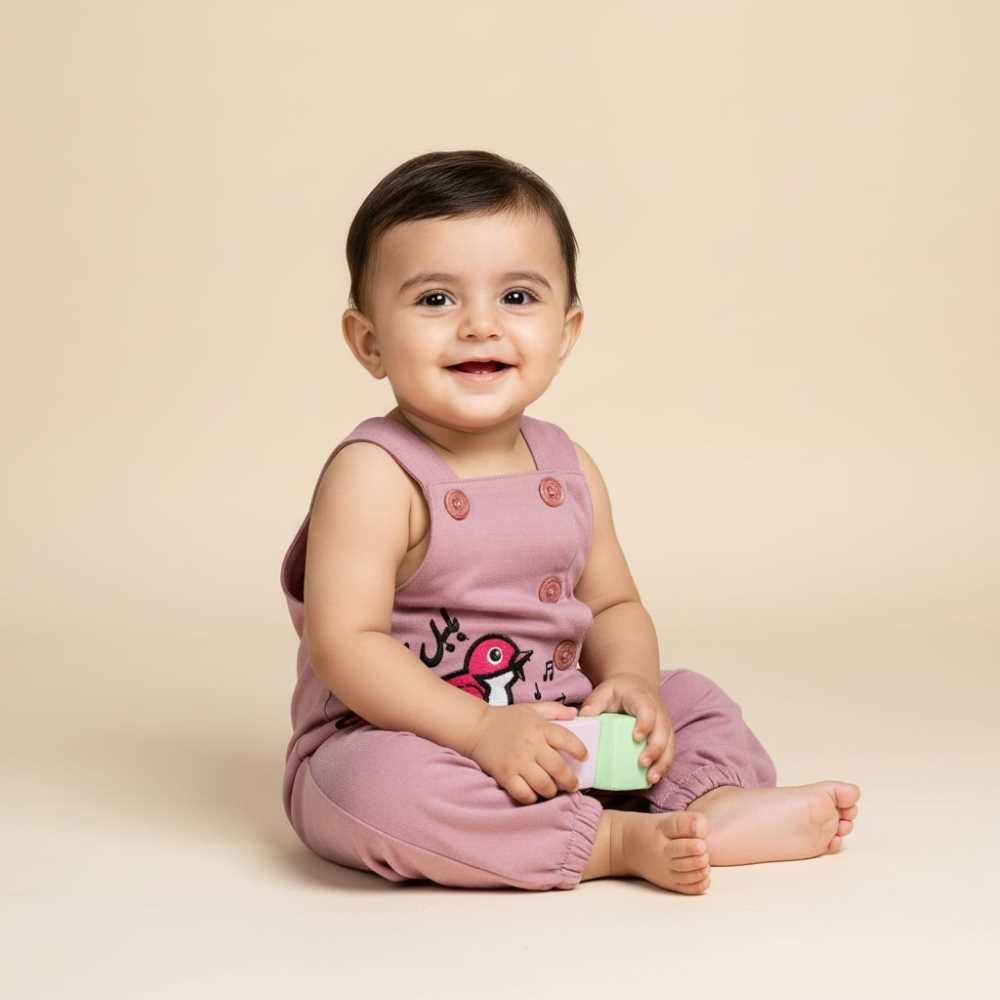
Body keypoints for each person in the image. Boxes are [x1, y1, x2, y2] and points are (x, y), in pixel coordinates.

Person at [278, 149, 861, 892]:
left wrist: (631, 683)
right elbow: (346, 644)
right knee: (374, 790)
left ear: (566, 331)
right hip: (412, 735)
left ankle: (706, 806)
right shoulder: (375, 474)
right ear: (369, 342)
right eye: (436, 299)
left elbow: (613, 604)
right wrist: (480, 731)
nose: (480, 326)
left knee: (694, 700)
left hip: (557, 725)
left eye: (517, 297)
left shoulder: (568, 465)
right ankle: (609, 840)